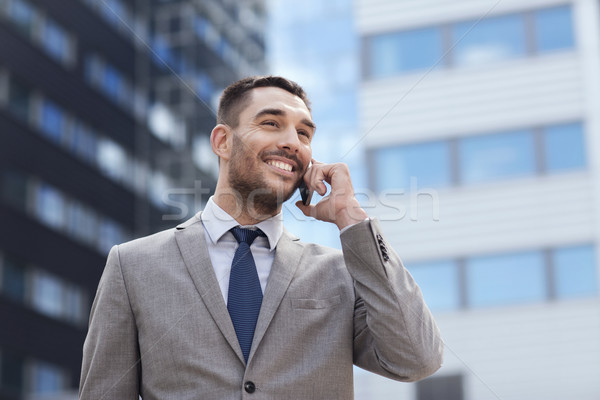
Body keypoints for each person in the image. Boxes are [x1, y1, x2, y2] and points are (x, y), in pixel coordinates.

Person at [79, 76, 443, 399]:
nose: (292, 142)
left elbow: (416, 359)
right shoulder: (133, 266)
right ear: (223, 141)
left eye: (304, 134)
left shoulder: (341, 273)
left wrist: (351, 218)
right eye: (271, 123)